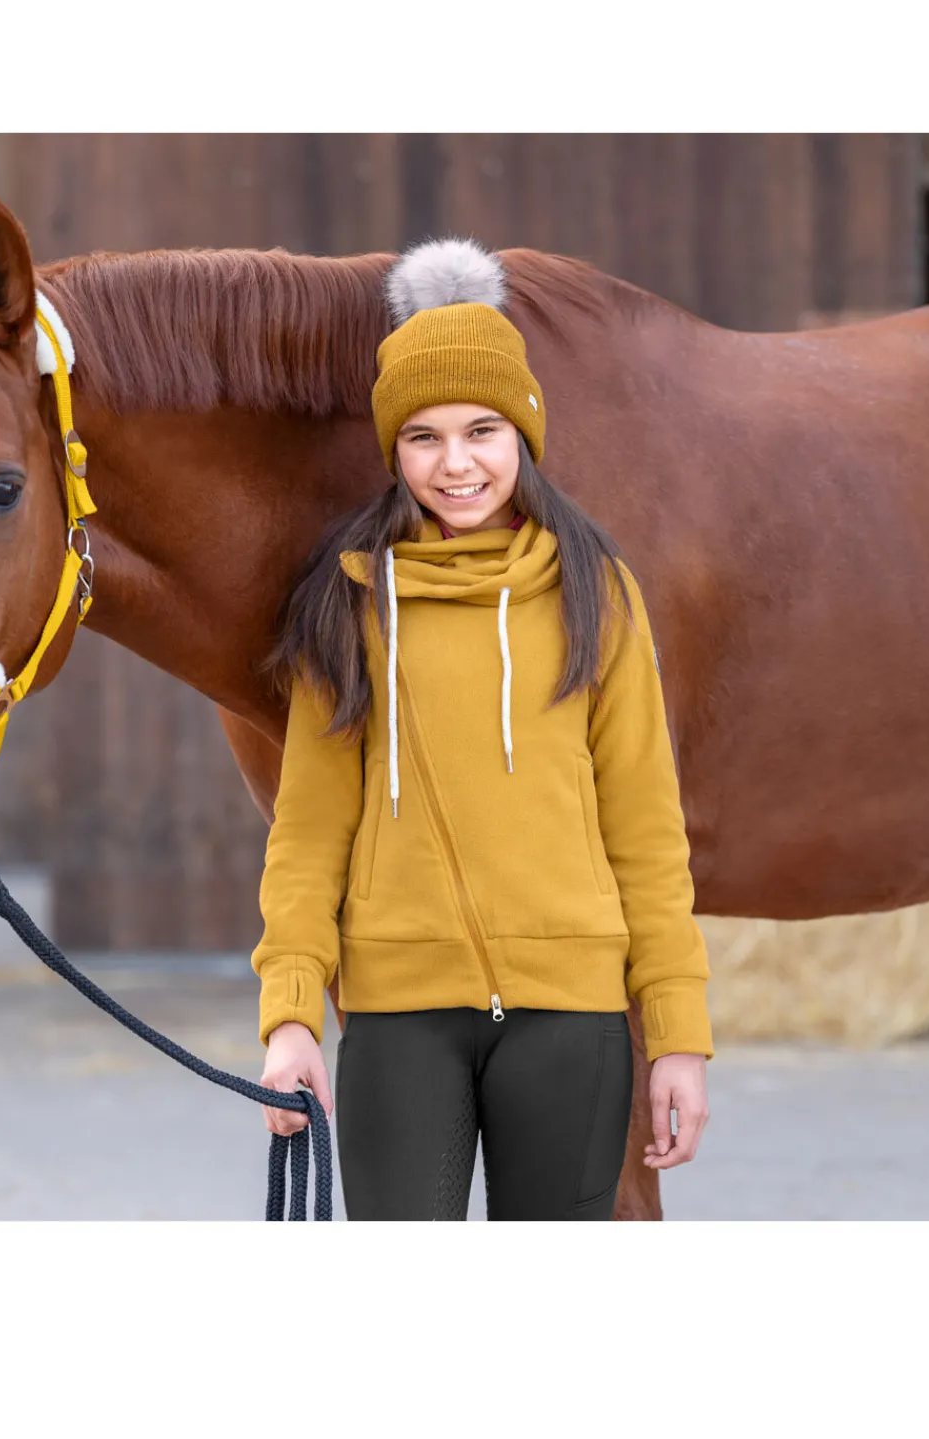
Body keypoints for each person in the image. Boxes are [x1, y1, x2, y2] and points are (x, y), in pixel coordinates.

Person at [253, 238, 712, 1220]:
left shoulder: (597, 596)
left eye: (481, 431)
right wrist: (290, 1015)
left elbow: (645, 831)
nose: (455, 463)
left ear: (523, 432)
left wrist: (676, 1033)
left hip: (571, 1017)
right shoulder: (346, 607)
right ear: (392, 450)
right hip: (397, 1019)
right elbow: (307, 834)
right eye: (422, 436)